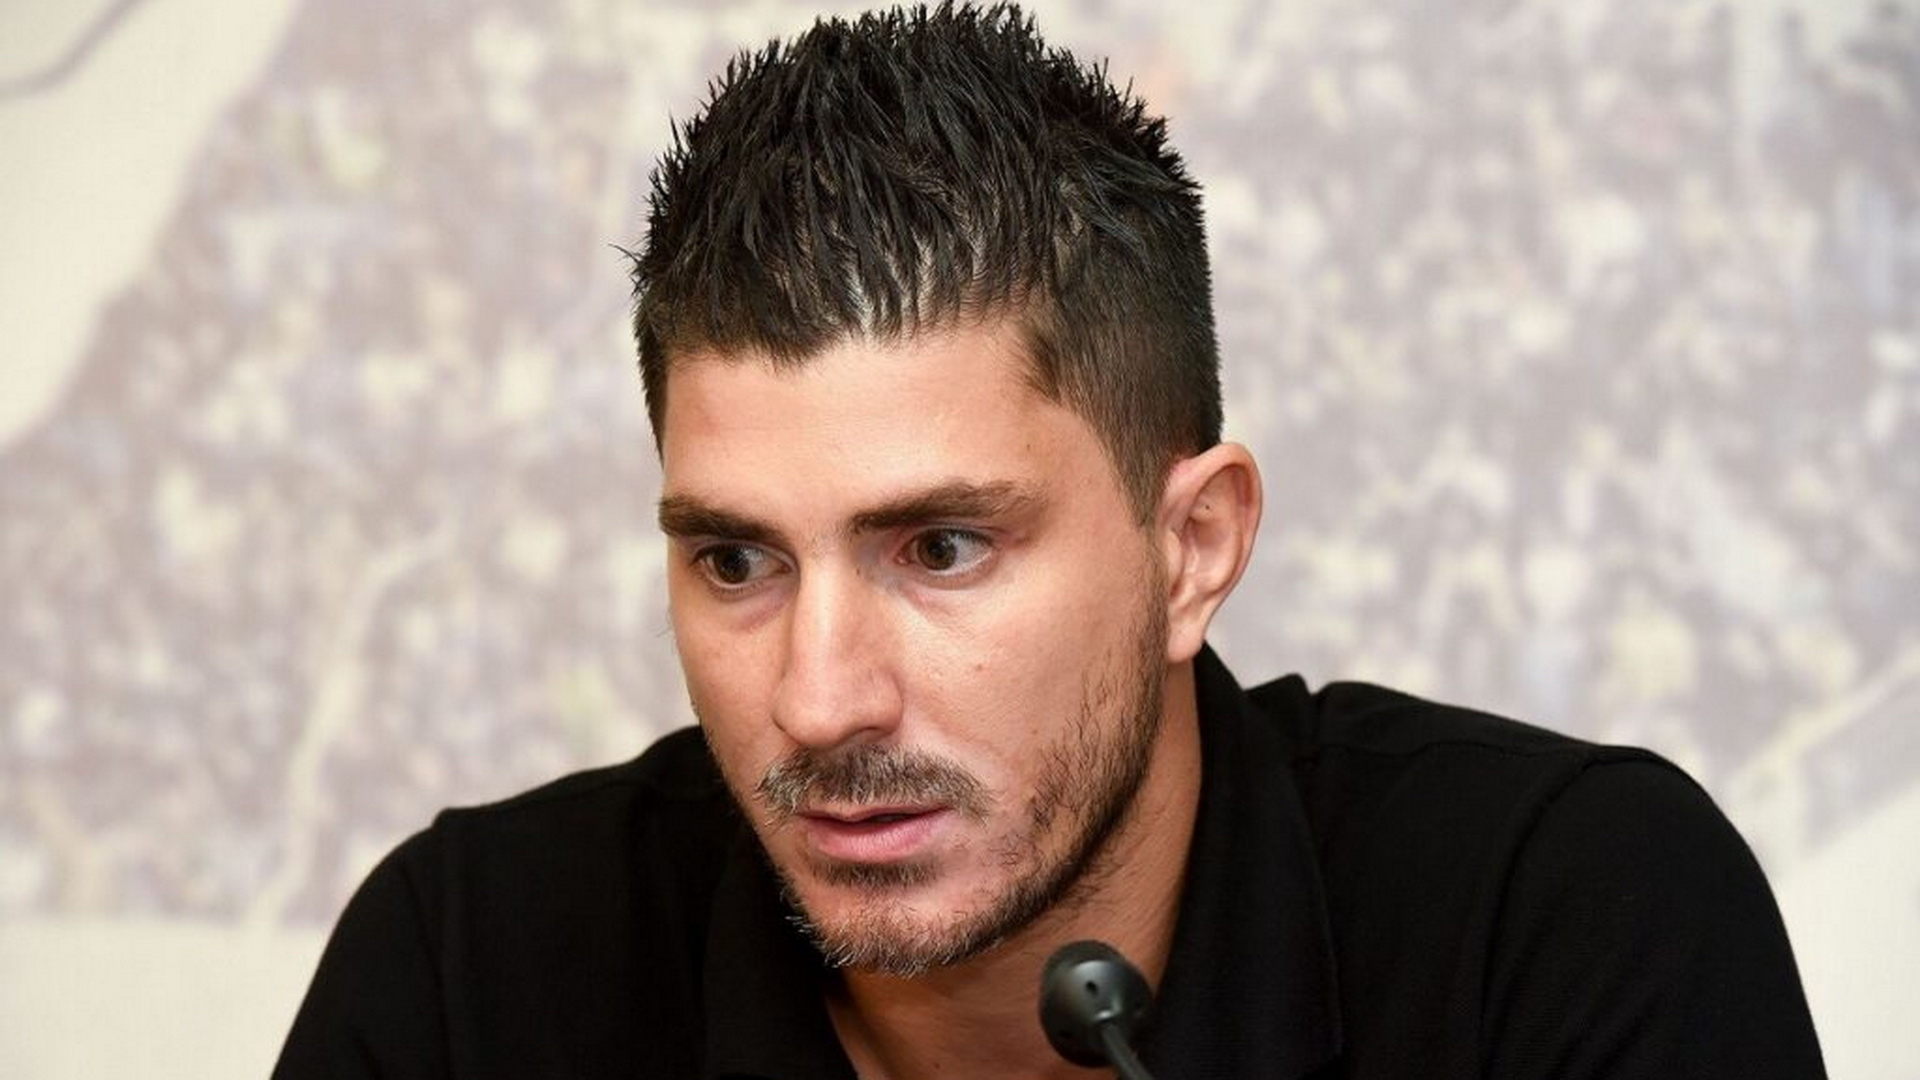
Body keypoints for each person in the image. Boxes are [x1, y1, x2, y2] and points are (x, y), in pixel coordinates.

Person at [274, 5, 1826, 1077]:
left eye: (942, 548)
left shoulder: (1560, 921)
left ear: (1193, 549)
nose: (819, 701)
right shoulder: (471, 977)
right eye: (738, 562)